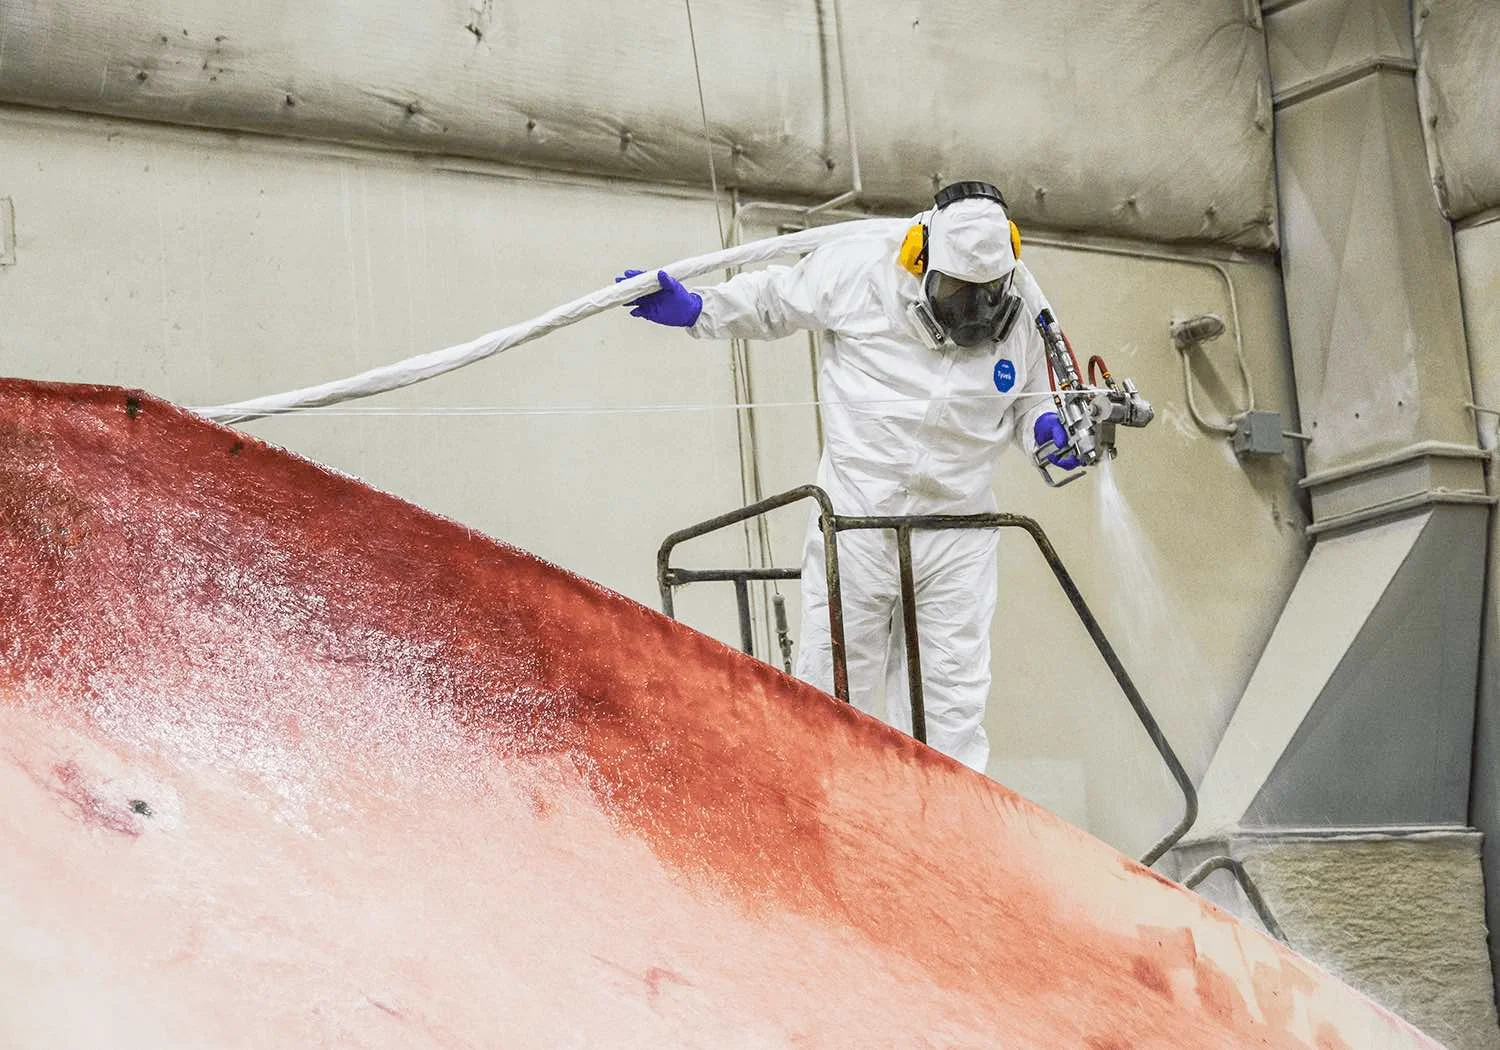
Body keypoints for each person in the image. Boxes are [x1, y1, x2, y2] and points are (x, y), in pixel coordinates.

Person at [617, 181, 1076, 773]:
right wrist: (700, 309)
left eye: (986, 296)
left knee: (951, 702)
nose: (972, 311)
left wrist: (1045, 428)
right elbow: (774, 299)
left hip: (958, 529)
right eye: (957, 291)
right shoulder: (860, 267)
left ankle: (943, 844)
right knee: (835, 687)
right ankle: (827, 826)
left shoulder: (1025, 307)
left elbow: (1038, 397)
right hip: (856, 520)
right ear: (921, 259)